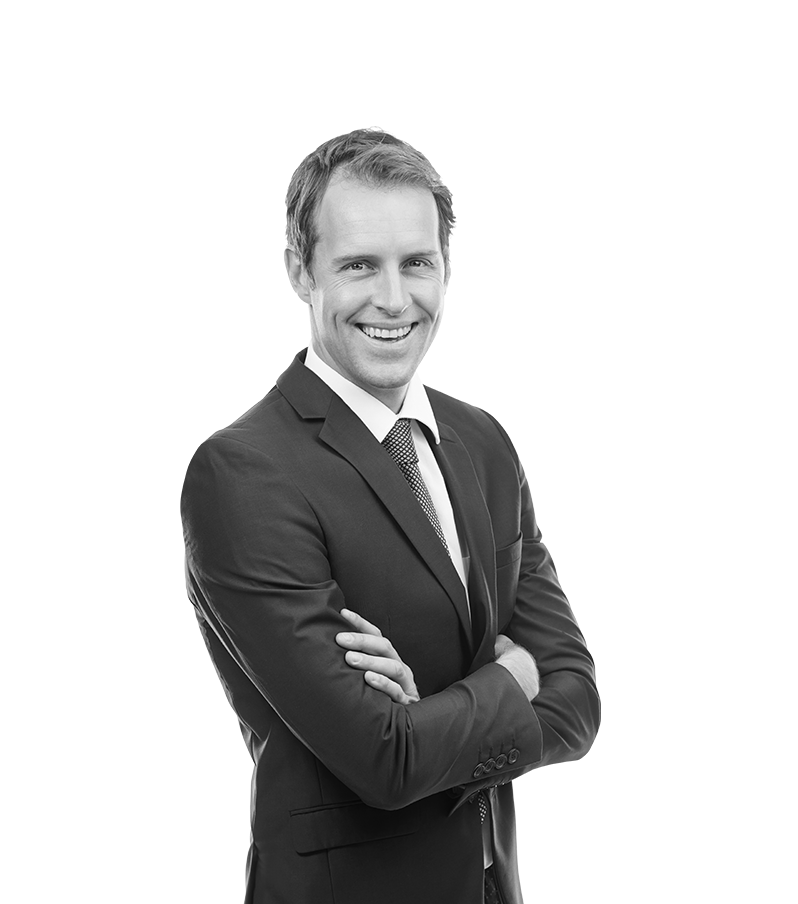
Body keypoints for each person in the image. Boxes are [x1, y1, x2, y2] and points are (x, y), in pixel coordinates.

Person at [180, 127, 600, 904]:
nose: (395, 299)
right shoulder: (243, 472)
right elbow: (382, 761)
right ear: (299, 270)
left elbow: (576, 699)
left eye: (417, 262)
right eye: (359, 265)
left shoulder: (482, 439)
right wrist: (509, 679)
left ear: (448, 267)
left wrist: (433, 721)